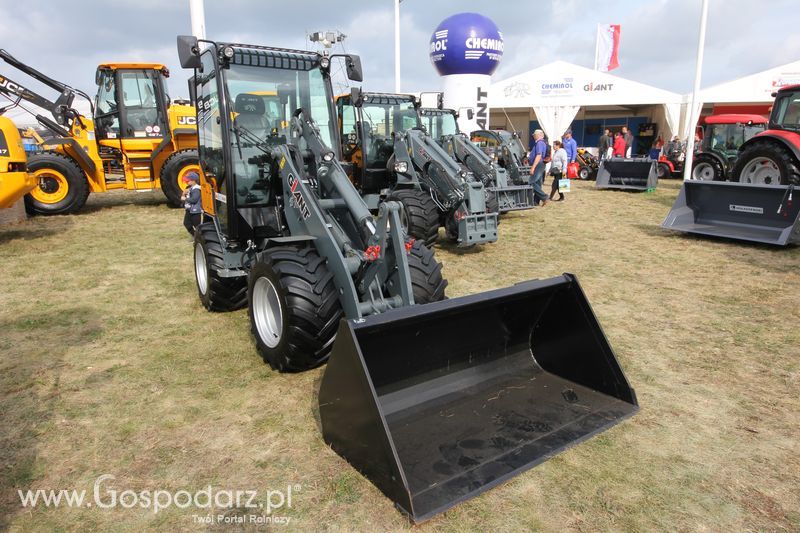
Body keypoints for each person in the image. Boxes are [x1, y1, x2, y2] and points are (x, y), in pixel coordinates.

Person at [528, 129, 549, 206]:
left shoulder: (539, 143)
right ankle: (536, 201)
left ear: (538, 135)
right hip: (541, 164)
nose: (533, 136)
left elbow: (539, 155)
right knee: (538, 183)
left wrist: (533, 167)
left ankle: (544, 197)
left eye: (534, 135)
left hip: (538, 164)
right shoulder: (542, 143)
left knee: (531, 182)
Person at [181, 171, 203, 236]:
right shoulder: (189, 188)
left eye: (188, 181)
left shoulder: (196, 189)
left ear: (194, 181)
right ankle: (194, 236)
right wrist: (183, 194)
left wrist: (185, 199)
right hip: (189, 210)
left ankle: (201, 238)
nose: (186, 182)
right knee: (186, 223)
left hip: (195, 211)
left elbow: (194, 200)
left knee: (197, 226)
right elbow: (185, 196)